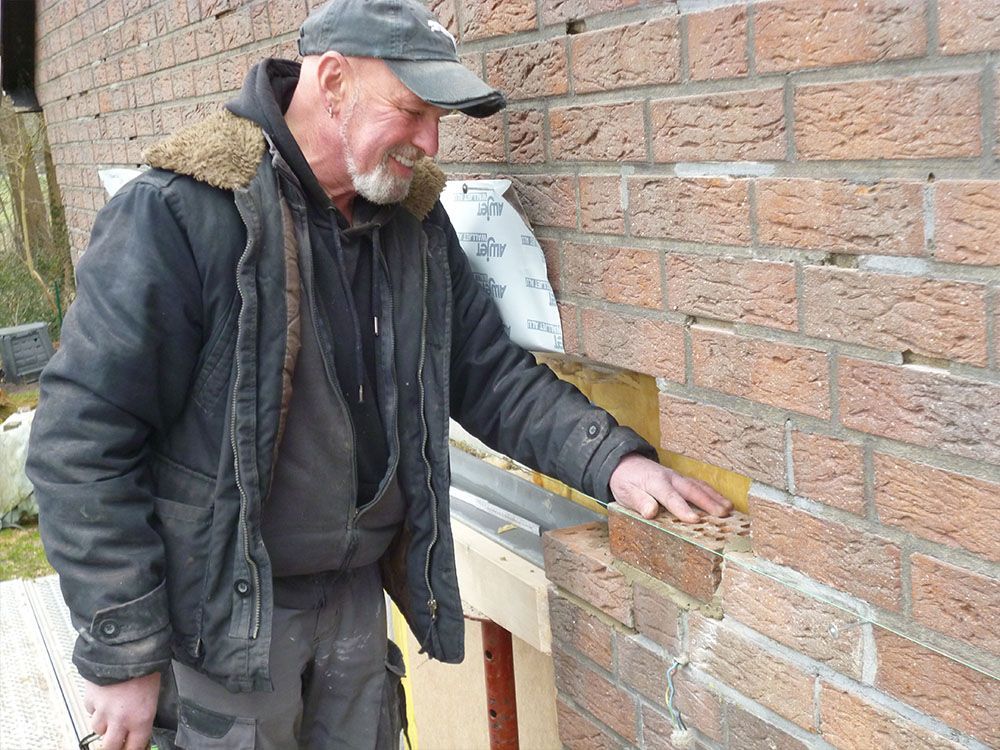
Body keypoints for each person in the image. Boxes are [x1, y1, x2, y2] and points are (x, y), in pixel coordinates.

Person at [26, 0, 732, 748]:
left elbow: (487, 375)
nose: (429, 143)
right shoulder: (181, 213)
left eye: (438, 119)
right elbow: (82, 442)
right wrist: (123, 650)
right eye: (412, 110)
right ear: (333, 81)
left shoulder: (413, 225)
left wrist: (613, 461)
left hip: (354, 605)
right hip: (220, 619)